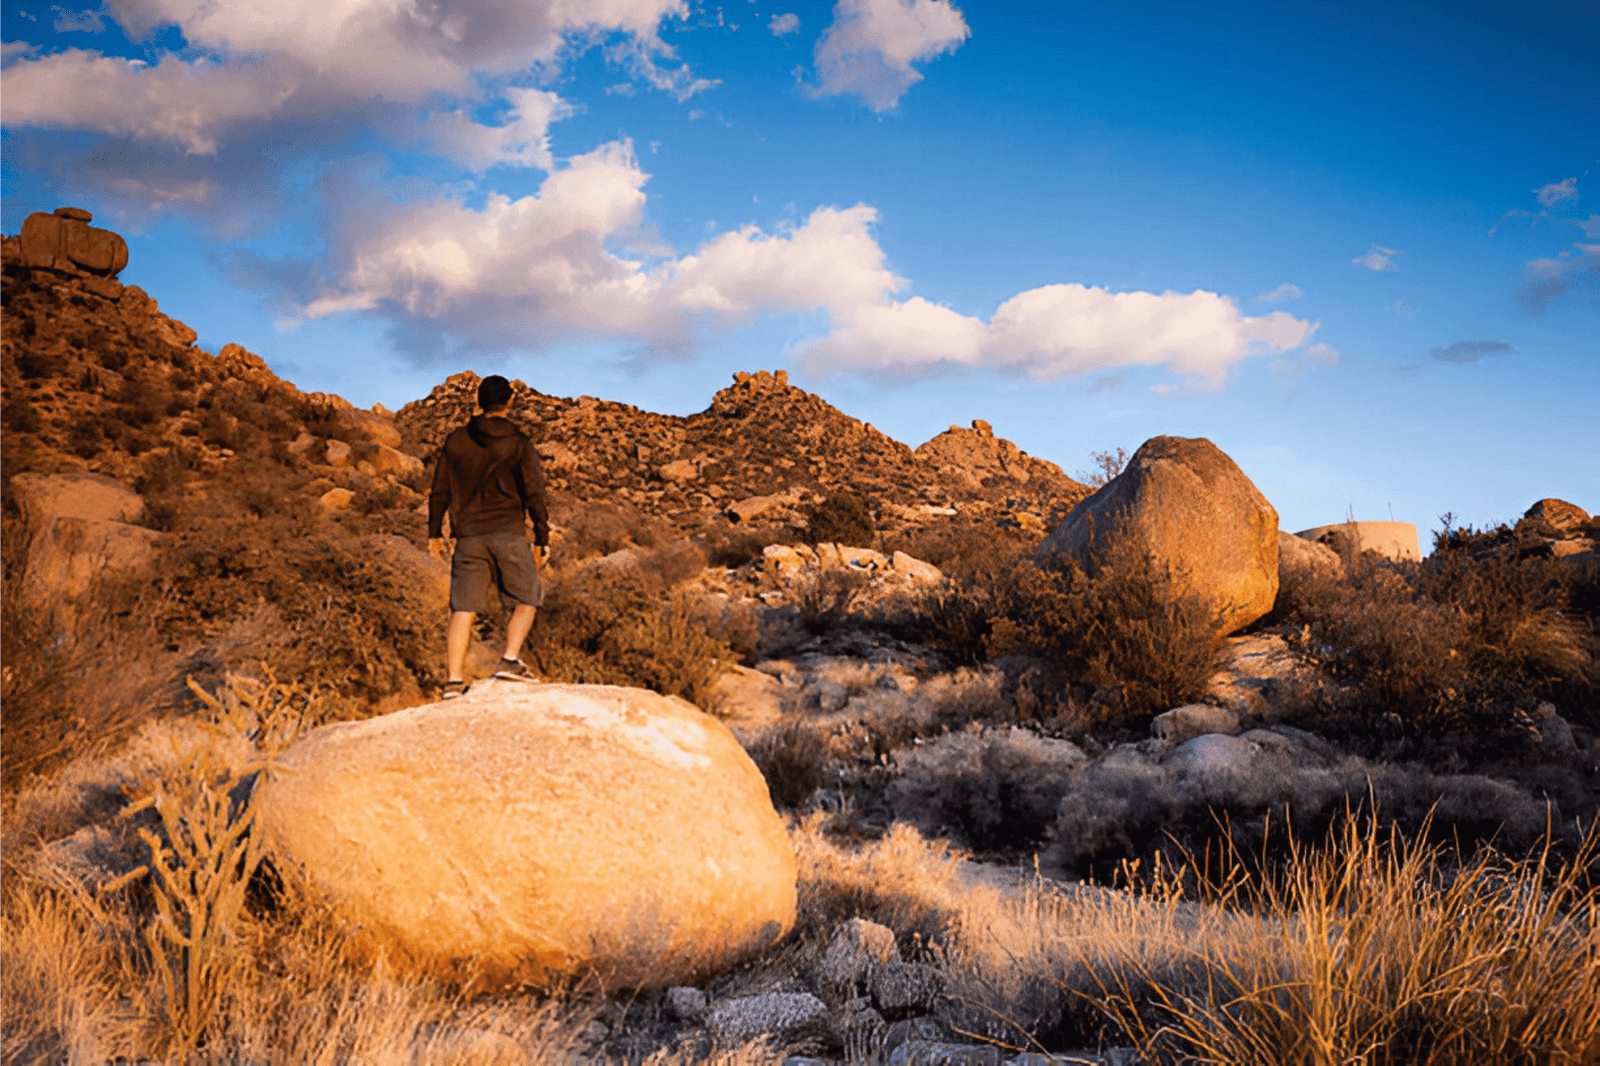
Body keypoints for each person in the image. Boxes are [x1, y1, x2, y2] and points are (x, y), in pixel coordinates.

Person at [427, 374, 550, 698]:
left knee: (463, 608)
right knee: (528, 596)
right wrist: (542, 535)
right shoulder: (519, 442)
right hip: (508, 531)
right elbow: (534, 492)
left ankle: (453, 683)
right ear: (509, 402)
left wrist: (434, 531)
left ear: (478, 402)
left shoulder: (456, 440)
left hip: (468, 535)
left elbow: (439, 488)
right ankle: (509, 661)